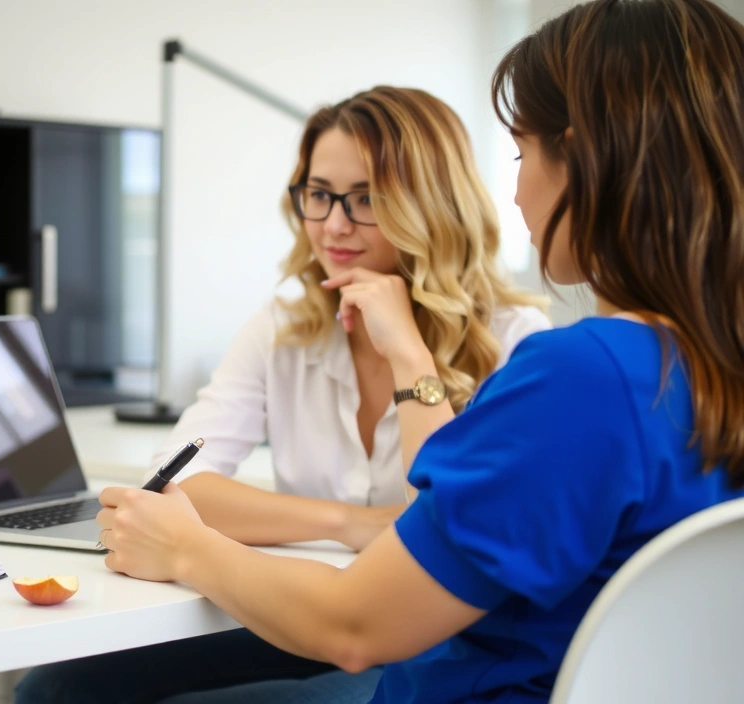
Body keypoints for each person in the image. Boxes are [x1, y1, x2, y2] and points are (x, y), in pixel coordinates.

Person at [92, 0, 744, 702]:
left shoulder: (582, 377)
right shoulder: (698, 368)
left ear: (587, 159)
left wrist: (187, 548)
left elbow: (355, 627)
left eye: (523, 154)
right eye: (320, 194)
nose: (517, 190)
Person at [14, 86, 549, 704]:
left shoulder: (514, 342)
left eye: (367, 198)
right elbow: (172, 482)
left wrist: (408, 351)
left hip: (433, 643)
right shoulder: (286, 326)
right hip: (298, 610)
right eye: (319, 195)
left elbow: (444, 527)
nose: (334, 224)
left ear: (430, 203)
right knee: (53, 691)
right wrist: (351, 524)